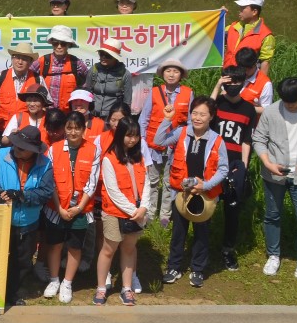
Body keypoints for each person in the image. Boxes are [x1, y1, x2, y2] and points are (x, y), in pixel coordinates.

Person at [252, 76, 297, 286]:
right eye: (285, 102)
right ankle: (273, 255)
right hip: (274, 174)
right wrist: (267, 163)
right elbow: (259, 139)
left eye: (293, 102)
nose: (289, 106)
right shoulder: (271, 111)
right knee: (272, 215)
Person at [156, 96, 228, 289]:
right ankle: (174, 267)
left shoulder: (217, 140)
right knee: (178, 232)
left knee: (201, 232)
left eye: (202, 114)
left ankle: (198, 269)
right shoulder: (181, 132)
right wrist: (167, 120)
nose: (197, 118)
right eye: (194, 113)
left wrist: (206, 185)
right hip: (182, 193)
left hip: (205, 195)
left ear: (211, 117)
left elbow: (223, 169)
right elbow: (159, 140)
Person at [0, 126, 55, 306]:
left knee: (22, 261)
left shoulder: (45, 164)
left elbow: (46, 192)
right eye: (16, 144)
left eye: (22, 148)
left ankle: (12, 294)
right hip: (2, 218)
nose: (16, 149)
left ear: (33, 150)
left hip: (28, 222)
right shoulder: (0, 155)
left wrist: (23, 196)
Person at [41, 110, 99, 303]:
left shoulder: (93, 149)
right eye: (69, 128)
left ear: (84, 129)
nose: (73, 132)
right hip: (57, 208)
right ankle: (54, 280)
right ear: (64, 129)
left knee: (75, 247)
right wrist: (59, 208)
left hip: (81, 209)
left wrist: (79, 207)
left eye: (77, 128)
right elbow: (50, 181)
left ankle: (67, 283)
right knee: (55, 245)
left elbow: (92, 183)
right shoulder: (53, 149)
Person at [94, 116, 152, 306]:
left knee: (129, 249)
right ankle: (101, 288)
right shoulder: (109, 158)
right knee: (108, 249)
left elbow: (147, 184)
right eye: (128, 135)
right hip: (114, 212)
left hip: (137, 213)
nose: (132, 140)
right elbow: (113, 191)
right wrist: (135, 210)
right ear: (120, 135)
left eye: (136, 136)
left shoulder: (140, 158)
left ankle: (126, 288)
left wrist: (144, 207)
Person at [210, 66, 260, 271]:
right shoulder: (217, 104)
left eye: (236, 82)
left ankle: (227, 250)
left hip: (234, 164)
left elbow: (247, 140)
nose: (232, 86)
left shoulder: (248, 109)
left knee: (232, 210)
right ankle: (201, 246)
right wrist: (217, 86)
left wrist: (244, 167)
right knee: (207, 204)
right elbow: (204, 111)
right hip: (212, 163)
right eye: (229, 82)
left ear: (243, 83)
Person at [141, 59, 193, 220]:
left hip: (175, 145)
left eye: (175, 71)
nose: (171, 74)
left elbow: (190, 121)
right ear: (163, 74)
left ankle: (165, 214)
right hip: (153, 144)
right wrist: (142, 142)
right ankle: (150, 213)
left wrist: (187, 142)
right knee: (152, 180)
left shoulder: (188, 93)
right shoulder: (155, 92)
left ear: (181, 75)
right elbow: (144, 119)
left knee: (170, 180)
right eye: (168, 71)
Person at [86, 38, 142, 122]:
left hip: (112, 119)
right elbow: (87, 93)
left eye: (108, 55)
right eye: (101, 54)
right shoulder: (94, 70)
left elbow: (127, 102)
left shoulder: (125, 74)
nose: (103, 57)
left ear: (115, 58)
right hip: (93, 117)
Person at [0, 42, 41, 130]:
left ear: (31, 62)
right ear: (12, 59)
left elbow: (47, 104)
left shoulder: (38, 79)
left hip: (28, 130)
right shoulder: (0, 76)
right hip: (1, 129)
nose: (20, 62)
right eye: (17, 58)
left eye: (24, 59)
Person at [37, 25, 88, 110]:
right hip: (46, 112)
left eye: (63, 44)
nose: (59, 46)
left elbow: (88, 82)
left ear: (69, 45)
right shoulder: (42, 61)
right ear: (52, 44)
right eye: (55, 43)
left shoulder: (76, 63)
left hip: (69, 113)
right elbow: (29, 78)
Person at [224, 0, 275, 65]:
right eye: (240, 7)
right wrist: (219, 18)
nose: (239, 10)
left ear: (254, 12)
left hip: (247, 73)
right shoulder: (232, 27)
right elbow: (213, 37)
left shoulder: (266, 36)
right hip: (228, 72)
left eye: (243, 7)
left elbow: (265, 62)